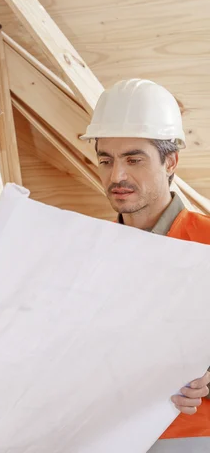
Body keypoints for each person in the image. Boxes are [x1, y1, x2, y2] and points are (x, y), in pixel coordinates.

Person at [81, 78, 210, 452]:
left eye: (134, 159)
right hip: (101, 436)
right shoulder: (85, 250)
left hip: (190, 438)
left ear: (170, 161)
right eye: (106, 160)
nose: (116, 176)